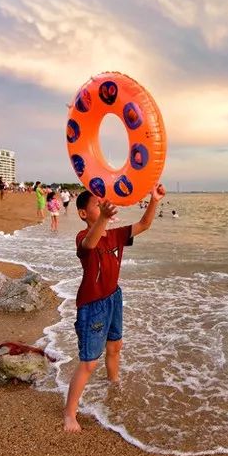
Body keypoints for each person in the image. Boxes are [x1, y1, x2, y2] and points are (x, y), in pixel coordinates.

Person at [63, 183, 166, 433]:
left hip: (113, 298)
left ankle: (114, 382)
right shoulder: (83, 237)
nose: (103, 206)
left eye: (103, 203)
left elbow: (144, 225)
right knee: (89, 361)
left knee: (115, 347)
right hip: (93, 305)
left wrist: (154, 200)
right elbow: (89, 244)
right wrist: (104, 220)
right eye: (97, 205)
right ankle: (69, 413)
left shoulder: (116, 235)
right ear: (83, 214)